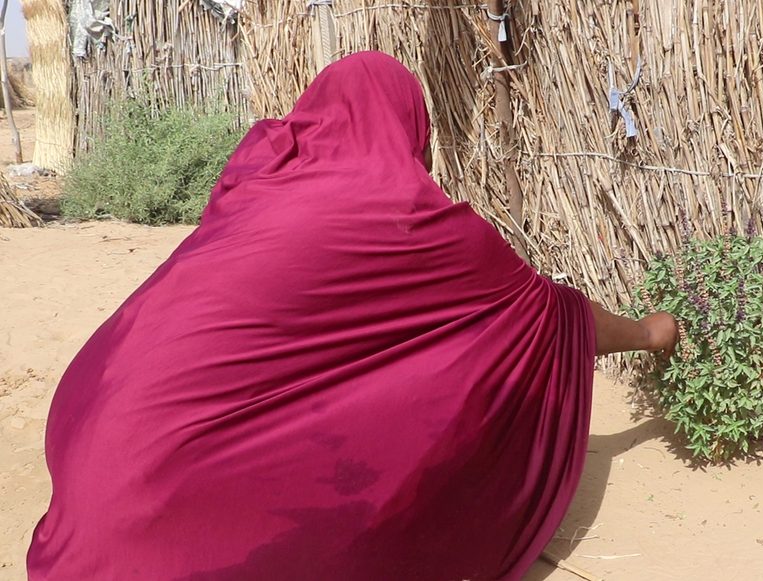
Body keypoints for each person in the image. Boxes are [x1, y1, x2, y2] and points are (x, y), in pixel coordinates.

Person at [27, 51, 676, 580]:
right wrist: (648, 332)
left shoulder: (257, 182)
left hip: (84, 444)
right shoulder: (405, 215)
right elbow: (547, 315)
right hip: (155, 512)